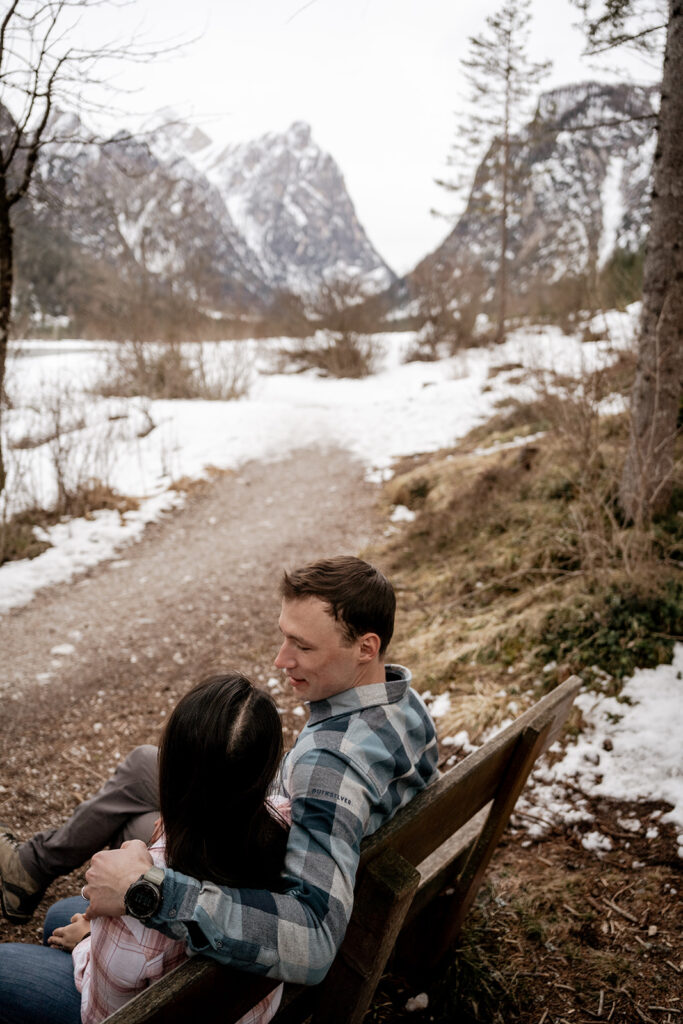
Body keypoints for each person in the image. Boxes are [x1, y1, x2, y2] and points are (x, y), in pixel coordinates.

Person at [0, 556, 439, 988]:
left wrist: (147, 888)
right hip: (281, 840)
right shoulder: (401, 701)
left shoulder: (330, 767)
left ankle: (44, 885)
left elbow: (315, 940)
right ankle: (31, 868)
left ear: (366, 647)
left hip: (254, 881)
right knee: (141, 768)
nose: (280, 659)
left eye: (303, 646)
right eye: (285, 637)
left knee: (111, 860)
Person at [0, 673, 290, 1024]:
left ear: (171, 772)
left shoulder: (137, 893)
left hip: (147, 1003)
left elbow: (102, 1015)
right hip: (249, 1006)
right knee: (59, 915)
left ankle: (28, 877)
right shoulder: (289, 831)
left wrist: (87, 945)